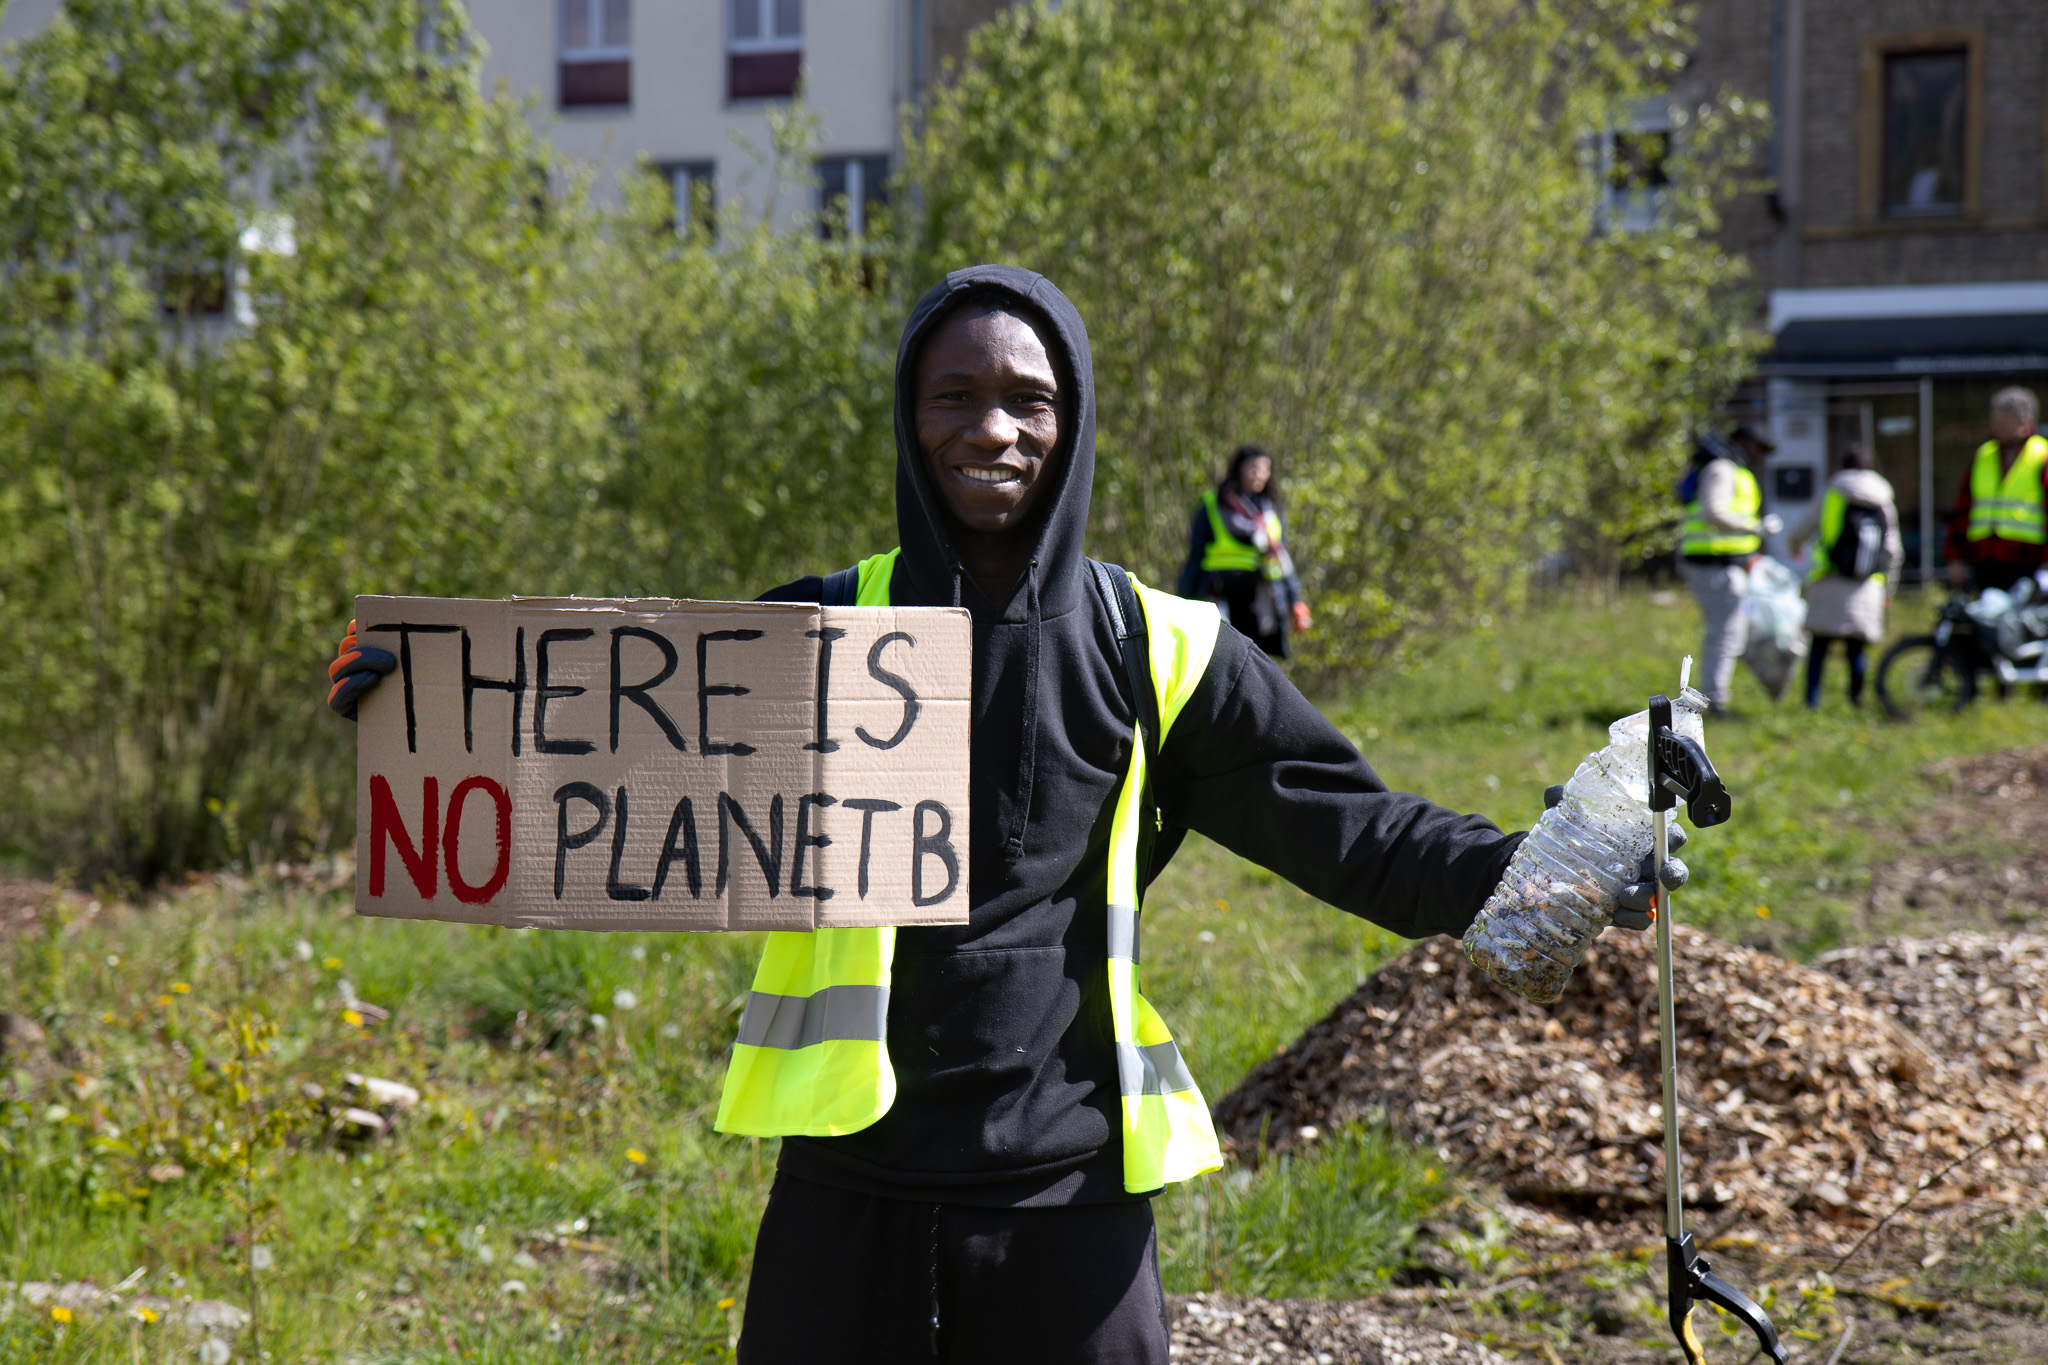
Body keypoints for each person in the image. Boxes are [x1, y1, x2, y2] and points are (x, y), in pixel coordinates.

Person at [325, 266, 1680, 1364]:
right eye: (954, 396)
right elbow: (603, 734)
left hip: (1067, 1190)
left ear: (1073, 417)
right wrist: (431, 700)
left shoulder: (1162, 648)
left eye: (1028, 399)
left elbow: (1356, 829)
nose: (992, 428)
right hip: (849, 1181)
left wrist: (1565, 867)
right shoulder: (814, 629)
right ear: (908, 420)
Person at [1677, 425, 1781, 714]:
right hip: (1712, 564)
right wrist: (1755, 527)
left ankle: (1714, 697)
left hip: (1724, 563)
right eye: (1757, 447)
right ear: (1742, 441)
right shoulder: (1723, 469)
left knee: (1732, 631)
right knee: (1724, 633)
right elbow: (1713, 512)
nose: (1758, 455)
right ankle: (1714, 702)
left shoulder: (1733, 471)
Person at [1788, 444, 1900, 709]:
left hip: (1830, 580)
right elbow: (1893, 551)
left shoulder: (1832, 493)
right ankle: (1856, 701)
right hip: (1867, 585)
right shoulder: (1884, 500)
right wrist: (1888, 589)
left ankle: (1811, 704)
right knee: (1856, 650)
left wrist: (1795, 548)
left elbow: (1801, 529)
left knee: (1819, 647)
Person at [1175, 444, 1310, 657]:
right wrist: (1183, 599)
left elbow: (1282, 558)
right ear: (1239, 469)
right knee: (1223, 658)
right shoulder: (1212, 506)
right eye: (1253, 468)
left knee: (1259, 665)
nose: (1260, 475)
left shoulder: (1271, 510)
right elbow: (1196, 556)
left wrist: (1295, 600)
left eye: (1265, 469)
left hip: (1262, 600)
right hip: (1221, 595)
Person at [1944, 386, 2048, 594]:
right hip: (1984, 562)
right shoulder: (1983, 455)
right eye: (1995, 421)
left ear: (2024, 423)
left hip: (2028, 564)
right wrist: (1955, 558)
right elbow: (1963, 510)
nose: (1995, 427)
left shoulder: (2042, 456)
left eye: (2003, 422)